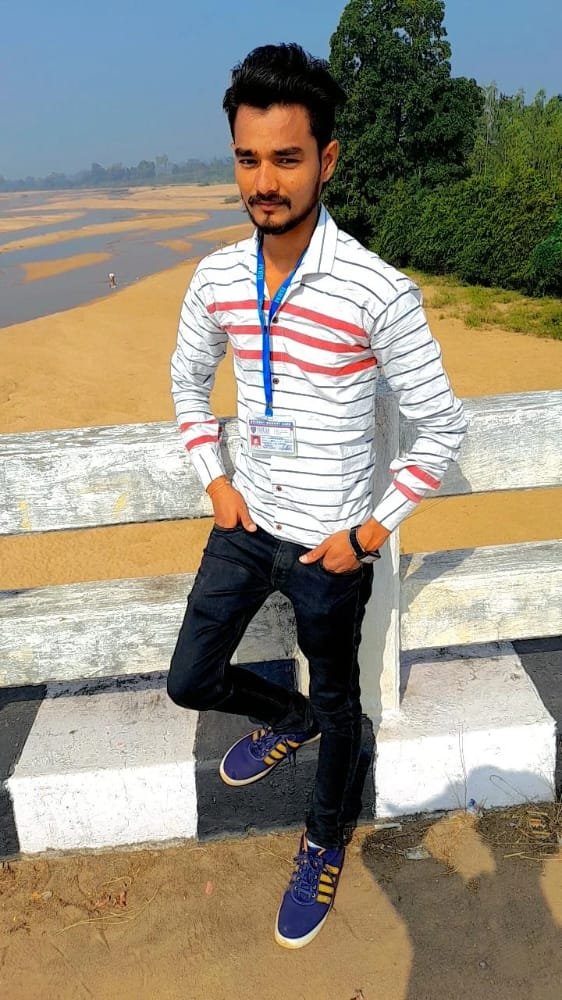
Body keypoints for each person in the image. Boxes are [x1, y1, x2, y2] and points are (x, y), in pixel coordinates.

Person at [168, 43, 467, 949]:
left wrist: (367, 535)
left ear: (327, 160)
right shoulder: (218, 278)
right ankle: (283, 718)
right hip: (245, 526)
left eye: (287, 158)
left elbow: (442, 427)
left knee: (344, 710)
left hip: (329, 552)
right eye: (248, 159)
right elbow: (187, 383)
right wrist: (216, 480)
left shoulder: (378, 292)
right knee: (190, 679)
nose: (265, 182)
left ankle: (324, 839)